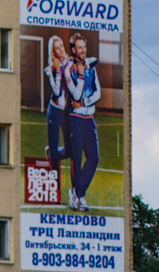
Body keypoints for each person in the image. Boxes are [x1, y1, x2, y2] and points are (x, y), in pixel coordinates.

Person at [64, 32, 101, 211]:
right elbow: (76, 94)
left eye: (84, 47)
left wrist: (85, 102)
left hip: (89, 119)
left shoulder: (91, 68)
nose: (83, 50)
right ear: (73, 49)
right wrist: (79, 75)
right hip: (75, 119)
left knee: (94, 157)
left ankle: (77, 192)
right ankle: (80, 196)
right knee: (77, 158)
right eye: (79, 47)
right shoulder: (68, 70)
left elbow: (97, 94)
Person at [44, 35, 69, 172]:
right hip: (54, 110)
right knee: (54, 145)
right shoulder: (51, 70)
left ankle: (52, 154)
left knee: (70, 148)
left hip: (65, 111)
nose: (60, 50)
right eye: (57, 48)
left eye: (61, 46)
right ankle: (54, 181)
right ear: (53, 52)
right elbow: (57, 92)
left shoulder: (69, 64)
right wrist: (58, 71)